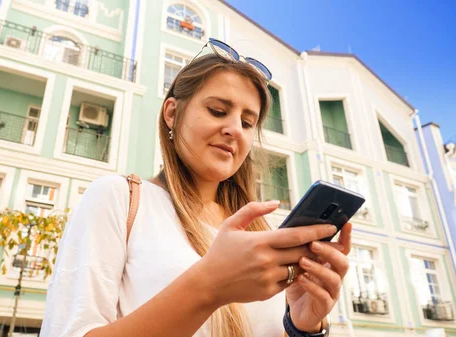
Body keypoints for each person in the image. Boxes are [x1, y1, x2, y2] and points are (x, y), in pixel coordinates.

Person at [40, 38, 352, 337]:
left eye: (247, 122)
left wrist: (304, 327)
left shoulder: (260, 233)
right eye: (218, 111)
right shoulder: (118, 198)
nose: (233, 130)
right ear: (172, 113)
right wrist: (210, 284)